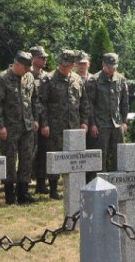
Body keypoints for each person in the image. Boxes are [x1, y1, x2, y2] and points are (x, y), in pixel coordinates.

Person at [38, 49, 91, 200]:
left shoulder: (77, 79)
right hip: (55, 126)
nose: (64, 67)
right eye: (62, 64)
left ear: (73, 65)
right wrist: (45, 124)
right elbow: (41, 104)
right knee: (55, 156)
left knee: (74, 157)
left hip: (73, 125)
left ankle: (72, 186)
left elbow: (84, 103)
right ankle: (53, 188)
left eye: (67, 65)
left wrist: (84, 122)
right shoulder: (48, 79)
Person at [0, 51, 41, 204]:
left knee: (26, 159)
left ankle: (23, 192)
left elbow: (34, 100)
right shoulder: (3, 79)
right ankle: (9, 194)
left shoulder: (29, 77)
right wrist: (0, 126)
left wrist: (36, 119)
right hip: (10, 127)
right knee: (10, 160)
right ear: (17, 64)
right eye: (25, 68)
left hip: (27, 126)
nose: (27, 71)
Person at [86, 53, 129, 174]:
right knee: (100, 156)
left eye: (114, 66)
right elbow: (90, 104)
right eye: (110, 66)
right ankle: (99, 183)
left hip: (117, 123)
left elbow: (124, 103)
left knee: (119, 154)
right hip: (101, 124)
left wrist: (124, 122)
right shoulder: (94, 80)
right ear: (103, 64)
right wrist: (92, 124)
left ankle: (118, 179)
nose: (112, 69)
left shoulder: (121, 79)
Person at [29, 44, 50, 194]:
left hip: (45, 120)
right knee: (29, 153)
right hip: (29, 120)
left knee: (43, 152)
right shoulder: (27, 75)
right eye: (41, 57)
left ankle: (41, 183)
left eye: (45, 58)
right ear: (33, 58)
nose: (44, 60)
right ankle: (25, 182)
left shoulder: (46, 77)